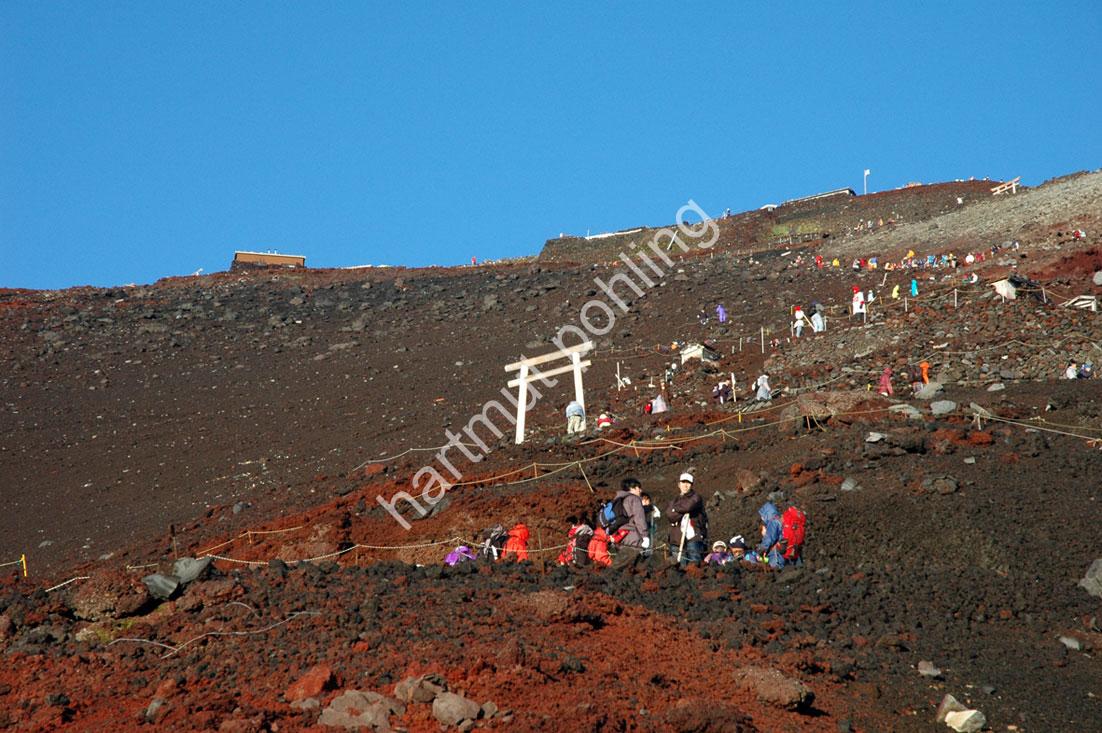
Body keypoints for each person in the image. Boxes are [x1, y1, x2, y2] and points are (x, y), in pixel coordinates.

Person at [666, 472, 708, 565]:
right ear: (679, 484)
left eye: (688, 483)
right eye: (683, 482)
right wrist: (681, 510)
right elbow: (670, 515)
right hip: (676, 537)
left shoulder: (696, 497)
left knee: (695, 563)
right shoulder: (674, 500)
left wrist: (675, 509)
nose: (685, 485)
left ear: (692, 485)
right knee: (678, 564)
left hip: (693, 536)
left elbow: (688, 507)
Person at [610, 478, 651, 570]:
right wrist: (645, 536)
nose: (640, 490)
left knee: (623, 563)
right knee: (634, 565)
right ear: (632, 488)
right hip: (632, 536)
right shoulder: (634, 499)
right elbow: (639, 518)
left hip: (619, 536)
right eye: (638, 487)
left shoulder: (617, 499)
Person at [746, 502, 785, 568]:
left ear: (766, 514)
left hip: (777, 557)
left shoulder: (773, 522)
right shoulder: (780, 520)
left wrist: (761, 548)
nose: (762, 518)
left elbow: (769, 539)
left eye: (763, 516)